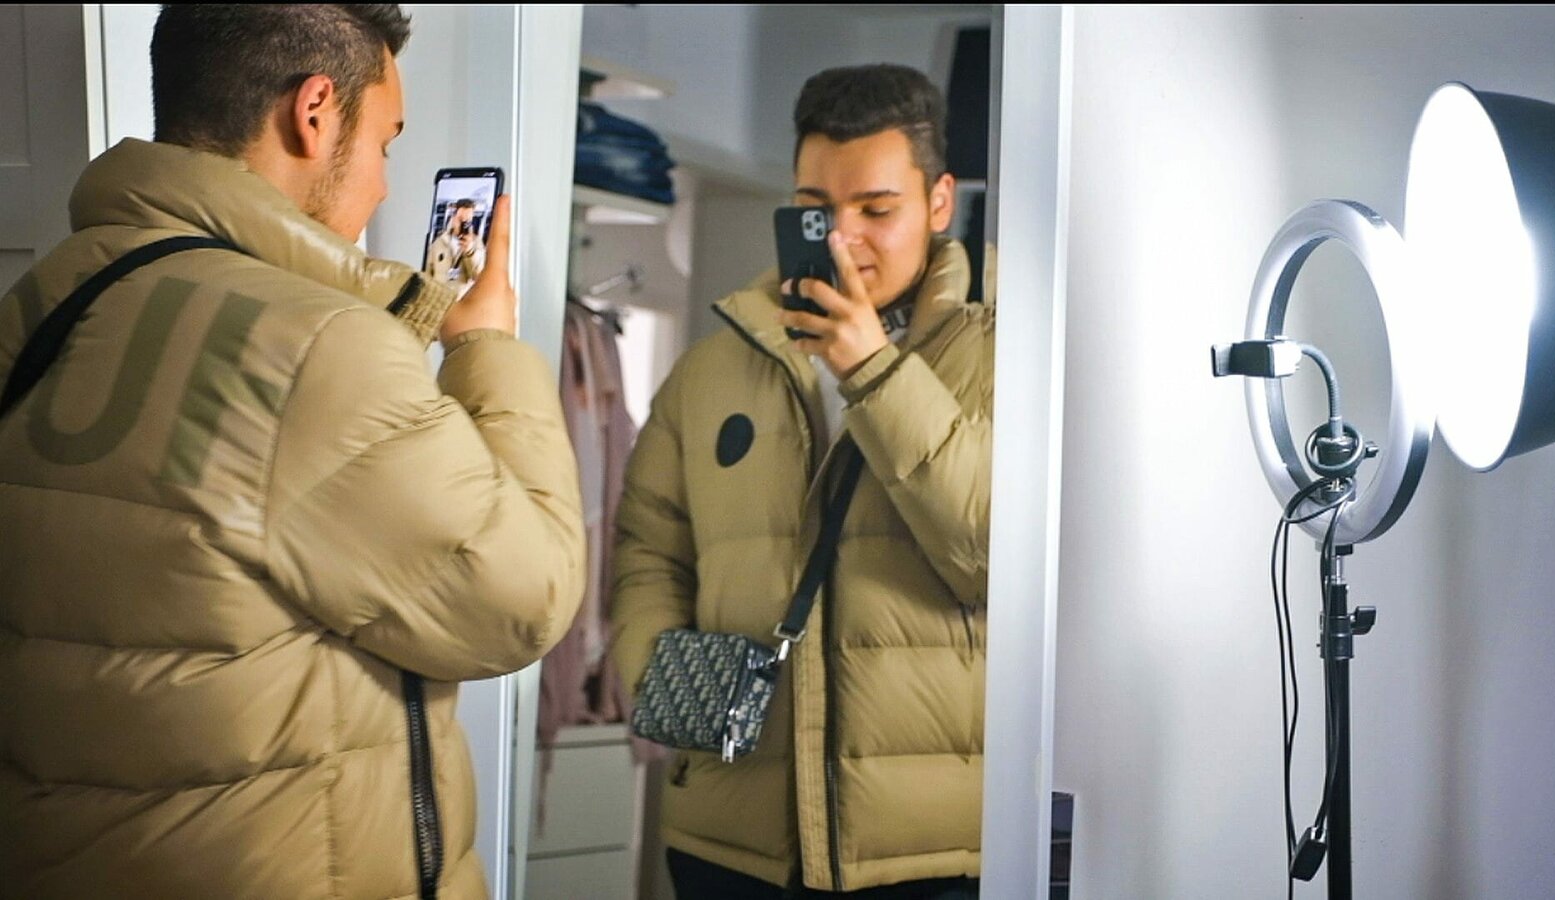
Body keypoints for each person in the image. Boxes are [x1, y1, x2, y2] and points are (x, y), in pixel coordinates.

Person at [0, 6, 585, 899]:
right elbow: (523, 600)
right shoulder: (319, 347)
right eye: (385, 142)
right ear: (313, 112)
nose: (383, 186)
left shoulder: (43, 298)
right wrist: (485, 347)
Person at [611, 63, 992, 898]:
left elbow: (992, 551)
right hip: (729, 838)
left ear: (939, 202)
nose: (843, 239)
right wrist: (662, 676)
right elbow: (647, 550)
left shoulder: (1011, 351)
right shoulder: (712, 367)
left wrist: (874, 371)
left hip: (929, 852)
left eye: (876, 211)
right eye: (816, 210)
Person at [427, 198, 486, 287]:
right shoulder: (439, 242)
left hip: (462, 295)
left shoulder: (477, 243)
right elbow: (427, 274)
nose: (463, 224)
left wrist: (470, 252)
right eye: (460, 219)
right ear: (453, 218)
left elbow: (479, 277)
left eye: (467, 221)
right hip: (440, 294)